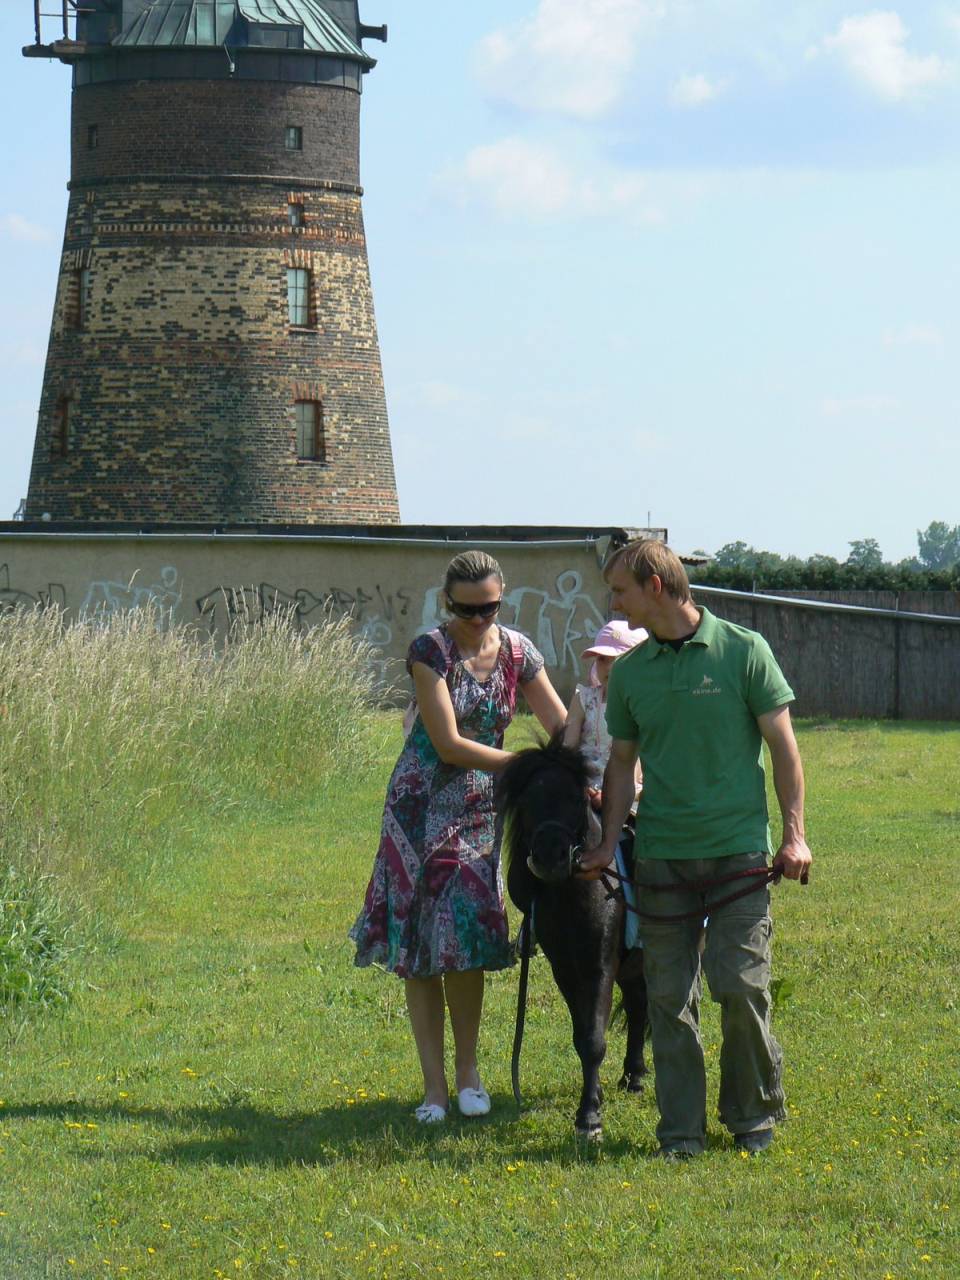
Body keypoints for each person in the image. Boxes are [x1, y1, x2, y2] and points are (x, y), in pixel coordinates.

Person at [578, 539, 812, 1158]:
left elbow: (785, 752)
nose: (613, 601)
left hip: (738, 855)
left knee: (740, 986)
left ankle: (752, 1116)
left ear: (655, 585)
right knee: (667, 999)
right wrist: (606, 844)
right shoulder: (630, 674)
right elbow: (622, 763)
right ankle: (680, 1132)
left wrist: (794, 835)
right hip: (661, 858)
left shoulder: (743, 651)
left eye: (620, 590)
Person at [350, 551, 566, 1124]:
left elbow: (562, 727)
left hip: (480, 811)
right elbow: (447, 743)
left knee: (466, 936)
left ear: (502, 599)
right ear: (447, 604)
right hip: (419, 809)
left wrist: (599, 765)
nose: (477, 620)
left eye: (489, 608)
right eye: (466, 610)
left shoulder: (520, 652)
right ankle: (434, 1089)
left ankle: (469, 1072)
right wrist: (527, 766)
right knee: (421, 947)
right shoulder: (429, 650)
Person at [562, 619, 647, 809]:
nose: (608, 666)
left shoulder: (644, 705)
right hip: (583, 785)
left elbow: (639, 757)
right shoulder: (584, 698)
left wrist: (615, 793)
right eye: (601, 659)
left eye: (617, 659)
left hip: (627, 788)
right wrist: (577, 782)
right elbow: (567, 749)